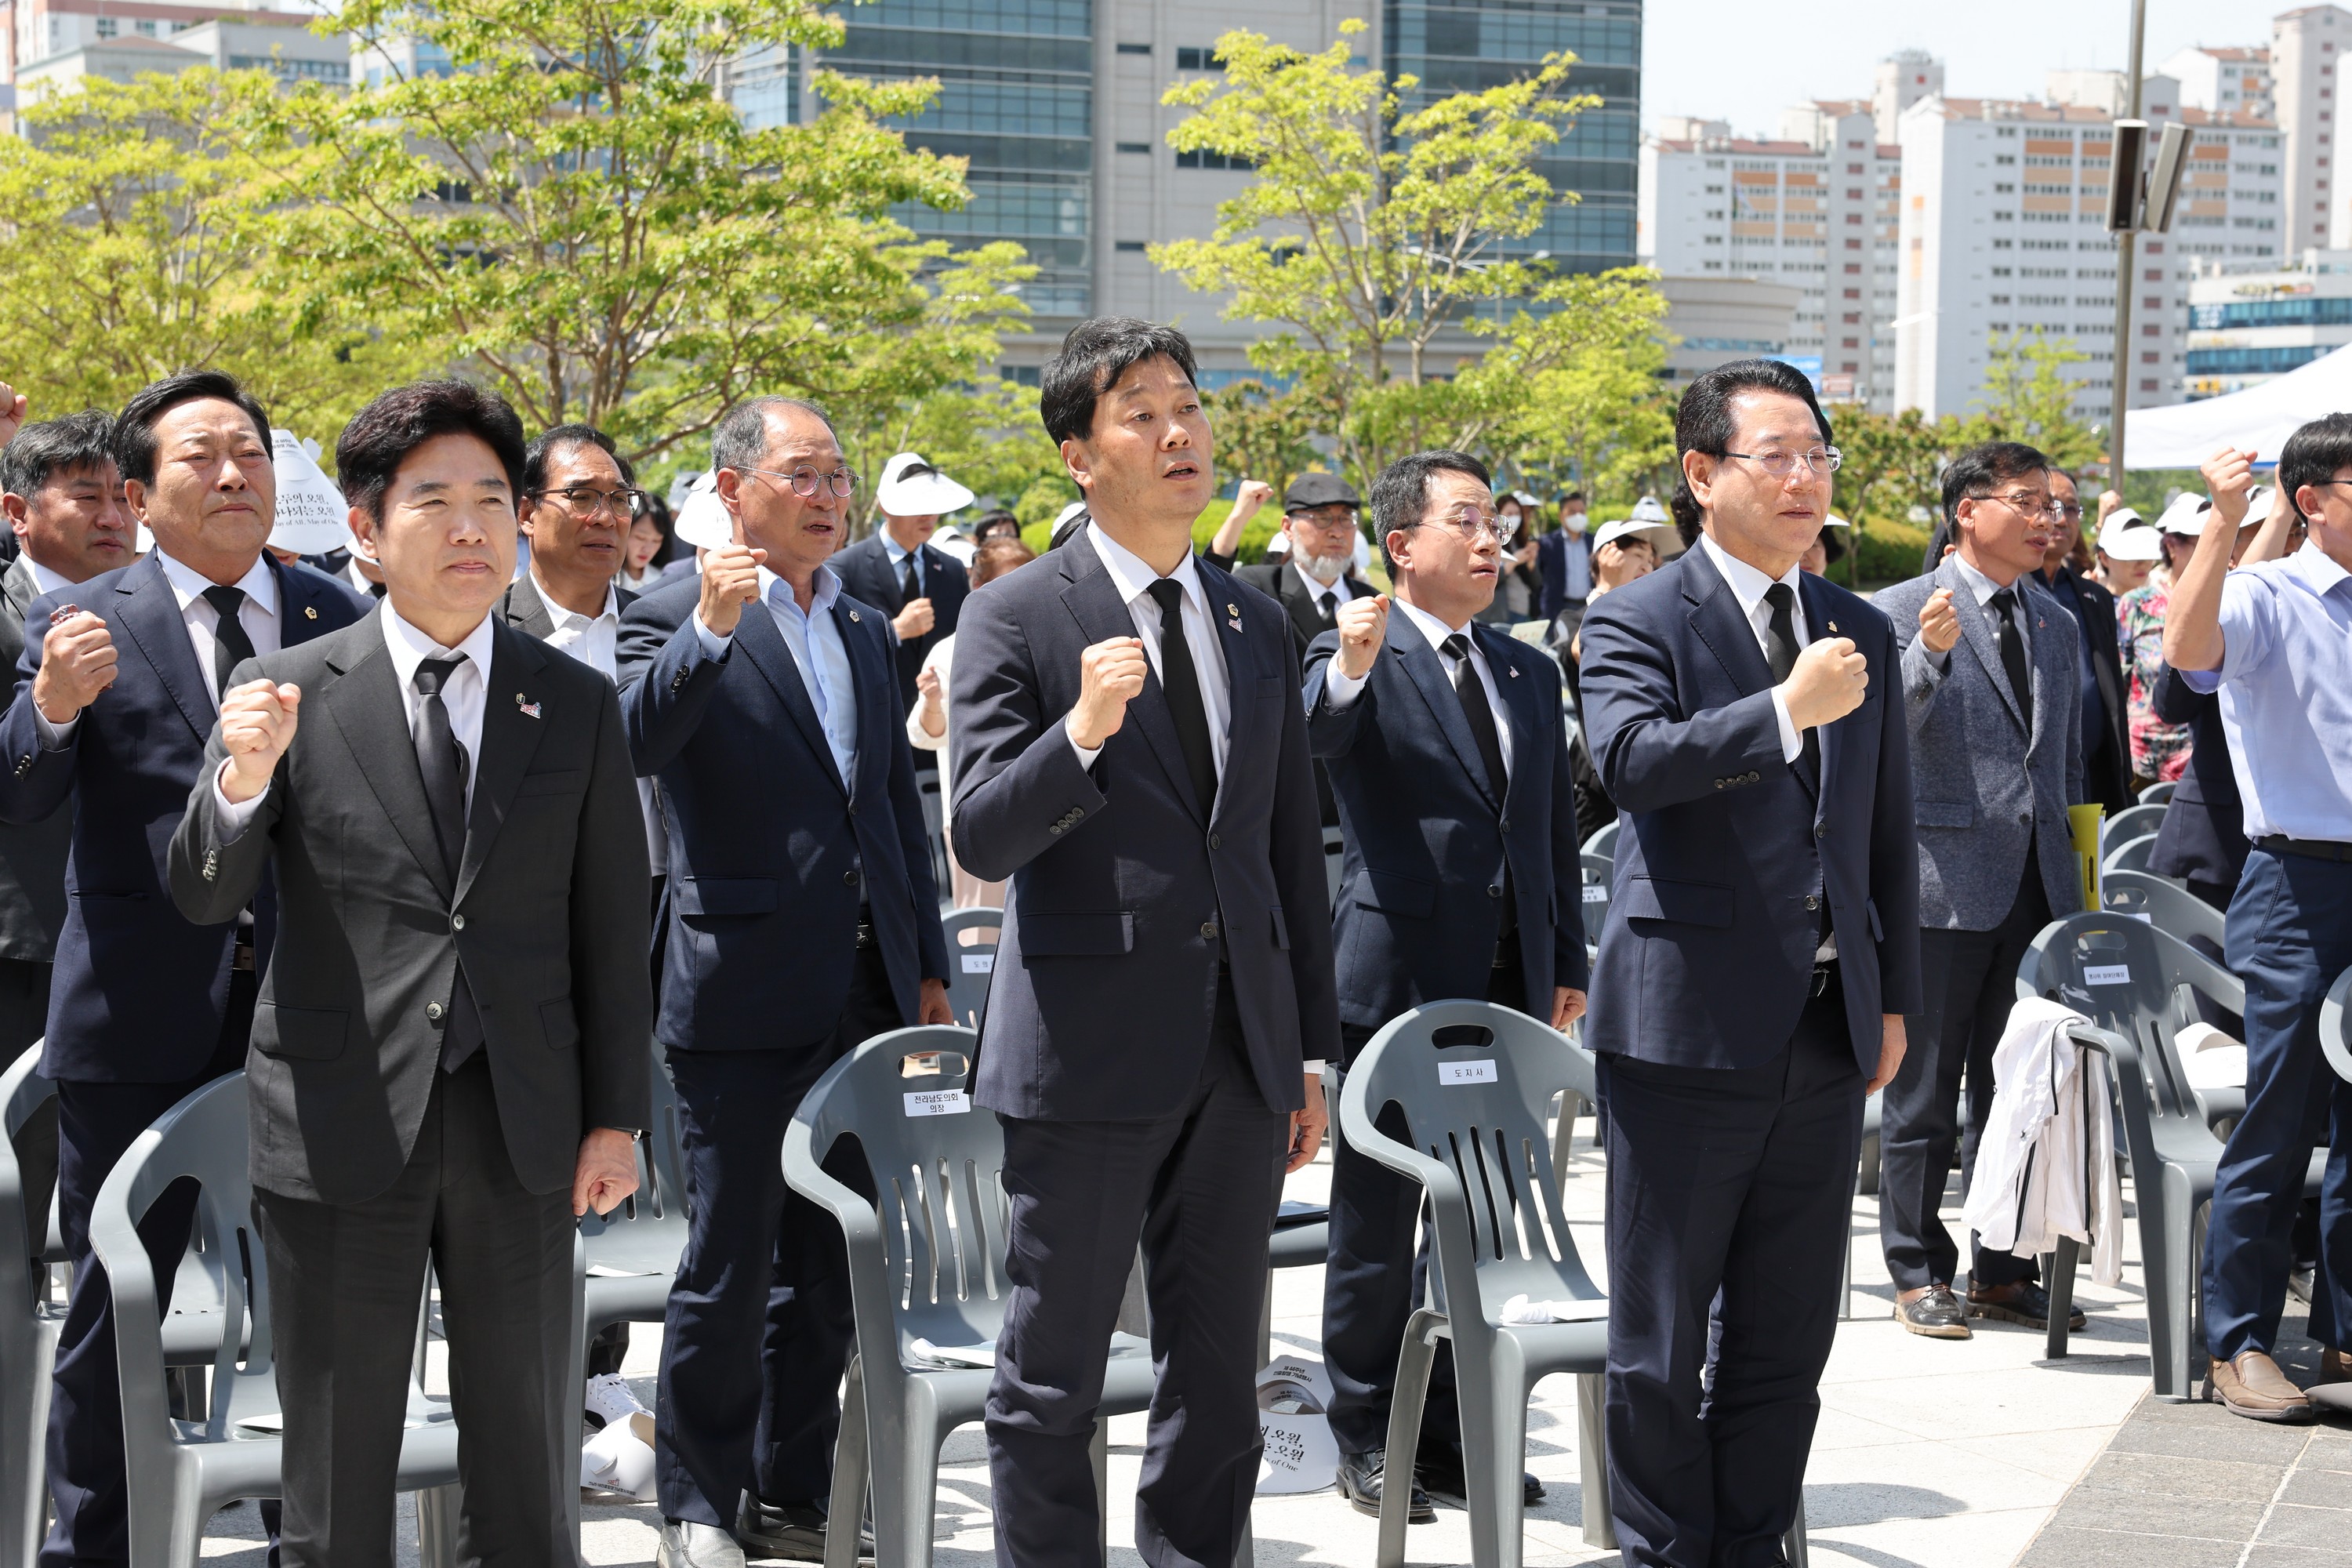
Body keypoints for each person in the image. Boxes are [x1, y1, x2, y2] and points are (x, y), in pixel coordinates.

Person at [163, 379, 649, 1567]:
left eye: (493, 498)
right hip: (338, 1120)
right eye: (435, 501)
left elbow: (609, 926)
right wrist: (238, 784)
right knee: (335, 1470)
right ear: (369, 533)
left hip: (521, 1122)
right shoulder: (283, 690)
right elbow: (202, 894)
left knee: (529, 1467)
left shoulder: (575, 701)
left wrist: (616, 1121)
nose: (472, 527)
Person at [946, 318, 1338, 1568]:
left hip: (1235, 1057)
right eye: (1141, 412)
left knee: (1220, 1375)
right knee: (1051, 1376)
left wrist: (1307, 1054)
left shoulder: (1252, 621)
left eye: (1190, 405)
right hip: (1084, 1056)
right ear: (1078, 454)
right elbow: (983, 833)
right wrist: (1085, 731)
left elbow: (1287, 858)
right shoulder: (1015, 615)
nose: (1179, 433)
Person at [0, 369, 368, 1568]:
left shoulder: (336, 615)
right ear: (140, 496)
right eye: (201, 457)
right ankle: (94, 1544)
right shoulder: (89, 620)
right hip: (137, 1015)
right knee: (123, 1306)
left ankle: (300, 1531)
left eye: (251, 455)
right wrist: (52, 710)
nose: (233, 475)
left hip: (312, 1016)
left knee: (308, 1297)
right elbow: (22, 788)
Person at [1577, 358, 1919, 1566]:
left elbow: (1885, 833)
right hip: (1685, 1032)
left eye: (1818, 456)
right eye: (1775, 455)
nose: (1804, 478)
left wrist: (1893, 1002)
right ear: (1702, 472)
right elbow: (1628, 764)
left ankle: (1753, 1539)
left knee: (1787, 1336)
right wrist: (1783, 710)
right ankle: (1667, 1550)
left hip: (1827, 1031)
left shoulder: (1858, 624)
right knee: (1661, 1337)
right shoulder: (1636, 614)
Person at [617, 396, 951, 1568]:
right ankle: (698, 1501)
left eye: (838, 476)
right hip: (738, 987)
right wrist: (709, 632)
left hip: (865, 988)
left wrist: (926, 965)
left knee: (831, 1264)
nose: (828, 496)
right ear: (733, 486)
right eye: (802, 474)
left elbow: (891, 810)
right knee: (730, 1259)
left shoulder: (864, 625)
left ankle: (795, 1490)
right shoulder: (666, 610)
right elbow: (630, 749)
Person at [1304, 449, 1589, 1519]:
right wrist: (1347, 664)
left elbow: (1553, 830)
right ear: (1401, 546)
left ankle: (1454, 1435)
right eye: (1464, 521)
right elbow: (1312, 740)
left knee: (1484, 1218)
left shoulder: (1525, 668)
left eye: (1497, 524)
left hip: (1511, 983)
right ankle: (1367, 1432)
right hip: (1397, 976)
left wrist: (1565, 963)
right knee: (1377, 1221)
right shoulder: (1361, 649)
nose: (1490, 542)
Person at [1873, 443, 2085, 1340]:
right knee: (1923, 1093)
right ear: (1969, 509)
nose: (2050, 520)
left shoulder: (2057, 622)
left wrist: (2084, 891)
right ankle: (1918, 1269)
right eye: (2029, 503)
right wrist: (1924, 654)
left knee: (2022, 1086)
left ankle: (2003, 1263)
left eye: (2055, 506)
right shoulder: (1895, 611)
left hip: (2039, 886)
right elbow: (1878, 735)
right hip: (1939, 885)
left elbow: (2068, 763)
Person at [2168, 433, 2352, 1421]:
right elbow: (2187, 651)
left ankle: (2345, 1334)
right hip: (2301, 880)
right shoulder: (2267, 592)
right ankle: (2236, 1343)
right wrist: (2224, 523)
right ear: (2313, 498)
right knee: (2279, 1117)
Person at [500, 421, 662, 1406]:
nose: (607, 518)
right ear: (527, 514)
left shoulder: (660, 624)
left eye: (620, 501)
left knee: (627, 1140)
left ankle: (598, 1374)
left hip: (651, 910)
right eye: (583, 498)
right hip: (530, 925)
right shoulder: (491, 627)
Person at [0, 409, 132, 1062]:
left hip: (143, 947)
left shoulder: (157, 615)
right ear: (18, 512)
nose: (113, 517)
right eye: (87, 497)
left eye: (123, 495)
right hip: (25, 950)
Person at [2149, 485, 2297, 913]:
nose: (2287, 539)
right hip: (2220, 837)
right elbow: (2173, 705)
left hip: (2311, 844)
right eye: (2266, 528)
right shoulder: (2210, 609)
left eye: (2293, 530)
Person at [906, 534, 1037, 908]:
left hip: (1044, 809)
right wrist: (932, 701)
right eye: (1007, 581)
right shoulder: (949, 649)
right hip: (978, 813)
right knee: (980, 937)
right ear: (977, 587)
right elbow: (925, 734)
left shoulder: (1048, 636)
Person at [829, 450, 975, 735]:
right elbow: (833, 648)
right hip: (874, 722)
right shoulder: (844, 568)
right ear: (885, 507)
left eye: (932, 502)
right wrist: (894, 631)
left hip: (941, 723)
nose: (929, 514)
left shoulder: (952, 569)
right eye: (916, 504)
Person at [2032, 468, 2134, 815]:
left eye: (2072, 508)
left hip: (2093, 778)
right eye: (2049, 506)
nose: (2060, 519)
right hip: (2030, 787)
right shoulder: (2004, 595)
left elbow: (2110, 695)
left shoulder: (2094, 597)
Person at [2119, 494, 2205, 786]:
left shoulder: (2223, 599)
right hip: (2140, 758)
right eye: (2203, 541)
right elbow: (2118, 678)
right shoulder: (2137, 604)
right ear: (2171, 545)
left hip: (2198, 759)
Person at [1536, 489, 1593, 626]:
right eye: (1572, 512)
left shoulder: (1594, 542)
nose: (1578, 516)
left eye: (1582, 511)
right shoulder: (1547, 543)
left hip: (1588, 607)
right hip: (1557, 609)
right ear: (1561, 516)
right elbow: (1538, 578)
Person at [2092, 507, 2158, 597]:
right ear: (2105, 558)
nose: (2142, 564)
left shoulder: (2159, 603)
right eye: (2132, 555)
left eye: (2146, 553)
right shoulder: (2093, 604)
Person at [623, 490, 678, 592]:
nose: (648, 549)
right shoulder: (603, 579)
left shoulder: (665, 582)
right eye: (640, 538)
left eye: (657, 540)